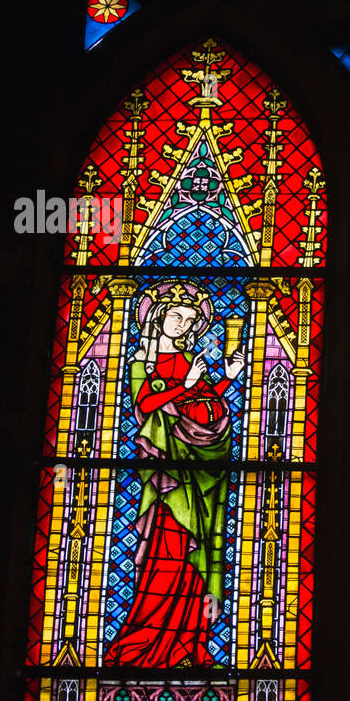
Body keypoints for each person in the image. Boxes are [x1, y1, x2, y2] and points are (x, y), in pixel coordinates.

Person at [105, 281, 245, 667]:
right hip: (166, 473)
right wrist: (183, 385)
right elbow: (146, 401)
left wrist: (228, 378)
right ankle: (141, 644)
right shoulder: (140, 364)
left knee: (190, 556)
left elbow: (198, 400)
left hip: (198, 468)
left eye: (189, 320)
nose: (182, 325)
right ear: (157, 318)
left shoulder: (188, 363)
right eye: (175, 316)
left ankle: (187, 646)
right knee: (164, 554)